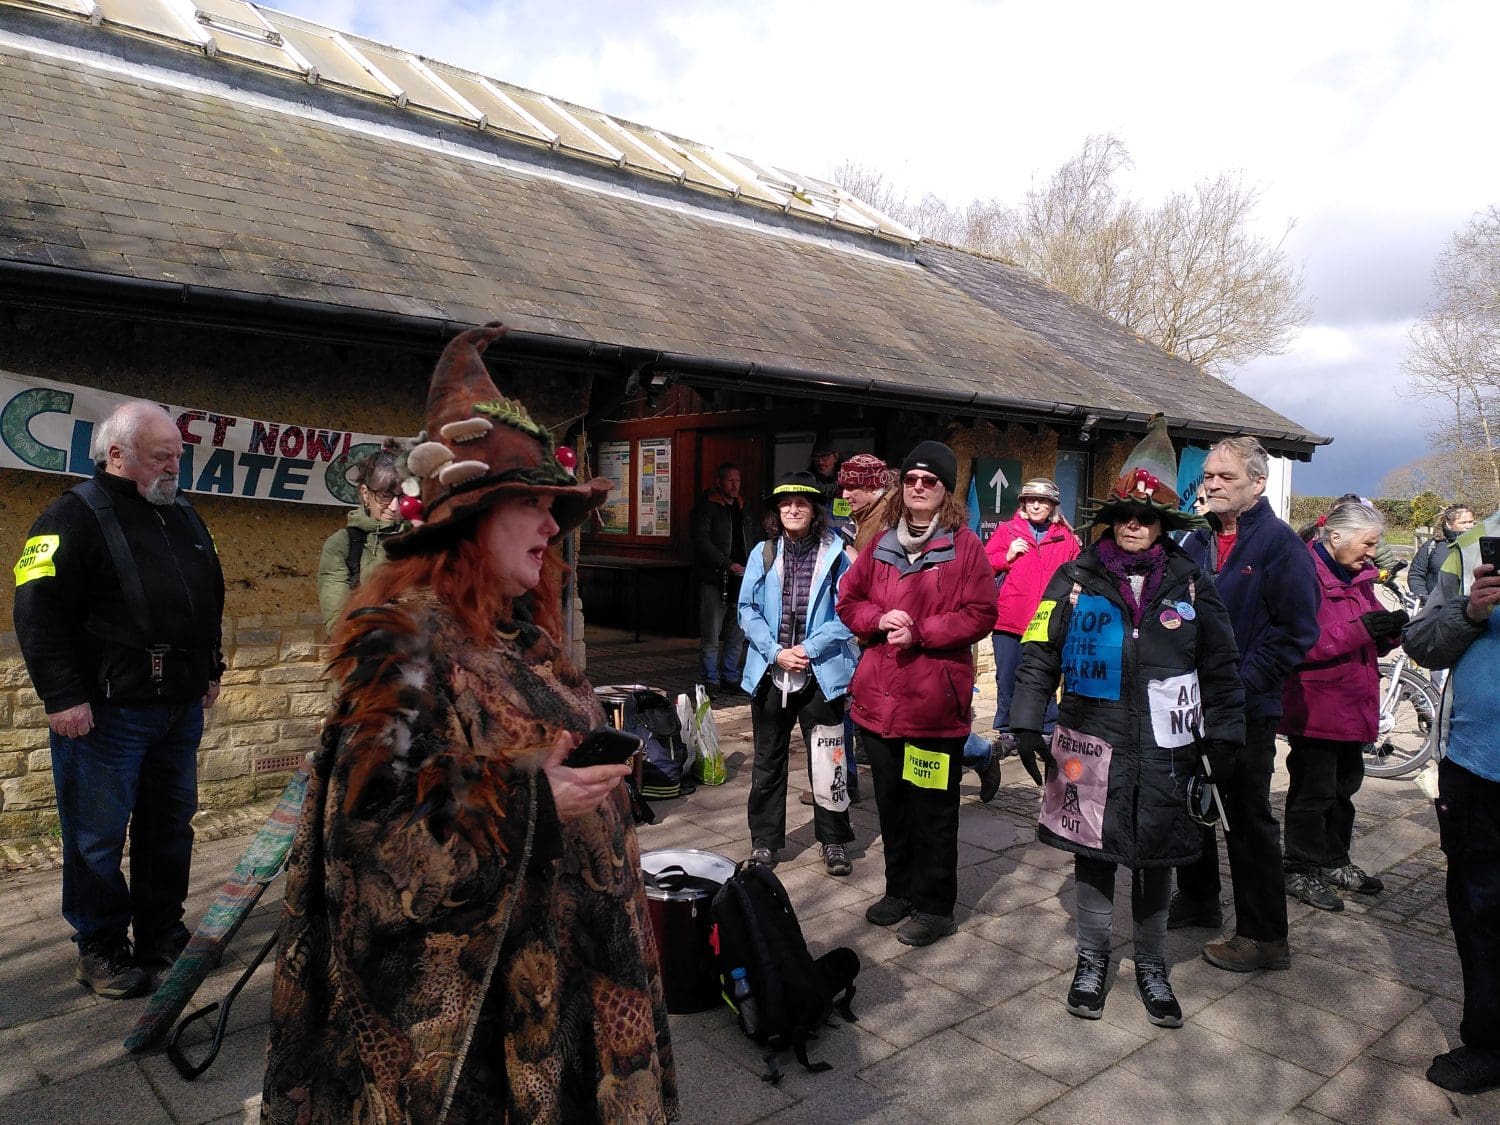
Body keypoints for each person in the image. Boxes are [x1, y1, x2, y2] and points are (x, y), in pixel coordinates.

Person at [262, 323, 677, 1122]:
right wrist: (533, 804)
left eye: (556, 508)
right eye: (532, 504)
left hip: (566, 987)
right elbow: (376, 854)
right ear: (467, 523)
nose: (553, 527)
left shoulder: (517, 633)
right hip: (476, 1035)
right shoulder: (408, 644)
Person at [1010, 416, 1243, 1028]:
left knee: (1157, 855)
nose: (1135, 525)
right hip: (1091, 739)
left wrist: (1226, 734)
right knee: (1092, 850)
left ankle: (1152, 964)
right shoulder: (1076, 577)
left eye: (1147, 517)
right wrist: (1026, 722)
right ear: (1109, 519)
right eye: (1124, 515)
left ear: (1165, 524)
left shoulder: (1192, 583)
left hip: (1169, 749)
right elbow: (1038, 652)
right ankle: (1091, 959)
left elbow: (1221, 665)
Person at [13, 400, 224, 1000]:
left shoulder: (182, 513)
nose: (174, 467)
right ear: (116, 456)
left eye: (178, 455)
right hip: (105, 715)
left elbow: (209, 596)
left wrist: (211, 668)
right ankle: (101, 946)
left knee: (168, 827)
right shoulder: (67, 518)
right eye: (162, 457)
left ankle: (161, 931)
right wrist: (61, 696)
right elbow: (35, 610)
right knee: (96, 837)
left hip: (177, 708)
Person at [836, 440, 998, 947]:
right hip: (879, 701)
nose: (919, 488)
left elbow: (980, 613)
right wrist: (877, 620)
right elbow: (849, 601)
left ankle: (935, 906)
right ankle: (899, 891)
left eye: (930, 481)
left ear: (945, 489)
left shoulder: (964, 546)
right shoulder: (880, 542)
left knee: (932, 811)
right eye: (911, 480)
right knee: (892, 805)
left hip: (932, 705)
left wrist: (923, 631)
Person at [1172, 435, 1320, 972]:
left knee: (1246, 818)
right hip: (1186, 702)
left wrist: (1239, 686)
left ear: (1257, 484)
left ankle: (1264, 938)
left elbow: (1295, 632)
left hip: (1245, 710)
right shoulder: (1194, 542)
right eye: (1208, 476)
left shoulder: (1279, 545)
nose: (1211, 484)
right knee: (1190, 803)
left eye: (1225, 477)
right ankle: (1198, 897)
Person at [1403, 521, 1500, 1096]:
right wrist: (1468, 614)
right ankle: (1488, 1042)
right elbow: (1419, 642)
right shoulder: (1474, 545)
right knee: (1480, 909)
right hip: (1476, 767)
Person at [1280, 503, 1406, 913]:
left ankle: (1335, 861)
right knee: (1312, 793)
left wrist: (1388, 633)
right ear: (1335, 537)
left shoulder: (1359, 578)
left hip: (1353, 706)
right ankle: (1300, 867)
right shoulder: (1304, 577)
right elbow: (1298, 642)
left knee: (1343, 790)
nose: (1372, 552)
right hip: (1317, 707)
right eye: (1367, 543)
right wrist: (1361, 631)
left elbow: (1365, 628)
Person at [738, 471, 858, 875]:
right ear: (777, 510)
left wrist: (807, 649)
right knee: (768, 761)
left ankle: (835, 840)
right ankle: (765, 842)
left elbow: (847, 612)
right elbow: (747, 609)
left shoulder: (838, 552)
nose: (792, 509)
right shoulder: (764, 552)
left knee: (828, 761)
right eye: (785, 503)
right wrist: (775, 652)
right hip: (771, 670)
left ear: (814, 509)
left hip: (820, 671)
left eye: (801, 503)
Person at [982, 477, 1080, 754]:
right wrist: (1007, 556)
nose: (1036, 505)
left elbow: (1080, 572)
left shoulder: (1066, 537)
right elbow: (983, 566)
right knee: (1007, 676)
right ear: (1023, 503)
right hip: (1010, 617)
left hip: (1048, 621)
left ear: (1052, 506)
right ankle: (1008, 731)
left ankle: (1046, 730)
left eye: (1043, 501)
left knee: (1045, 677)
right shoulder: (1007, 530)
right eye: (1031, 500)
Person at [315, 448, 408, 630]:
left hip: (421, 647)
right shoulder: (342, 545)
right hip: (367, 647)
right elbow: (337, 622)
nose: (395, 506)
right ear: (365, 493)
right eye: (385, 496)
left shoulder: (422, 538)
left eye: (402, 496)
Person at [690, 461, 755, 698]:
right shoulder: (707, 507)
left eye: (738, 480)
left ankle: (730, 675)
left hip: (741, 579)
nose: (735, 484)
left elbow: (752, 538)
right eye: (730, 480)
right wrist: (726, 563)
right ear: (719, 482)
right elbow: (702, 542)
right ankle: (710, 678)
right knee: (711, 633)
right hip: (715, 578)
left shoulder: (743, 508)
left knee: (737, 632)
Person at [1409, 504, 1476, 599]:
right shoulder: (1432, 546)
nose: (1469, 526)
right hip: (1437, 607)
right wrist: (1424, 598)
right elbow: (1416, 574)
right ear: (1449, 524)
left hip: (1472, 607)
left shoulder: (1480, 545)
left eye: (1471, 522)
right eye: (1463, 523)